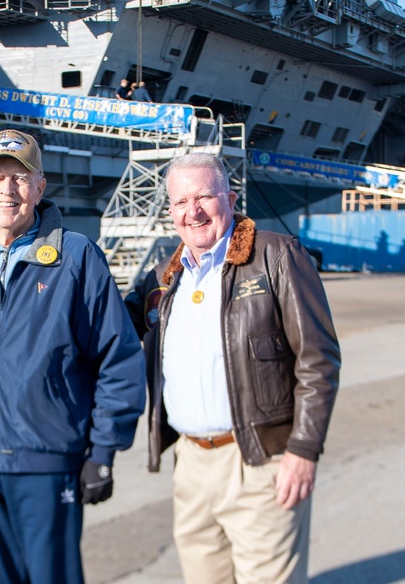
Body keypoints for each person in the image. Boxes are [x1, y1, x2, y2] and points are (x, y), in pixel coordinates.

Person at [0, 129, 146, 584]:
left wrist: (103, 450)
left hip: (51, 464)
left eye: (20, 179)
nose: (7, 190)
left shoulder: (76, 259)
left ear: (40, 187)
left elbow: (117, 358)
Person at [127, 152, 340, 584]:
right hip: (191, 464)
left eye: (205, 195)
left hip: (261, 461)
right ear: (169, 210)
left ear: (231, 196)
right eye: (181, 202)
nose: (194, 211)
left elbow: (318, 359)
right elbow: (101, 325)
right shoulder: (163, 281)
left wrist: (303, 449)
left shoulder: (277, 257)